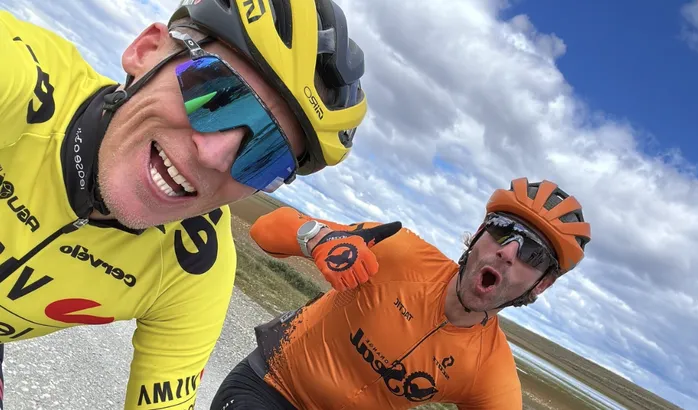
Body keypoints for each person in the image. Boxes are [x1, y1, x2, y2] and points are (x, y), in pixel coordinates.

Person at [0, 0, 366, 408]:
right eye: (215, 94)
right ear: (146, 50)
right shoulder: (20, 79)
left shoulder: (195, 267)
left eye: (264, 157)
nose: (215, 156)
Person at [211, 177, 592, 409]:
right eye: (502, 230)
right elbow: (267, 228)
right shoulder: (400, 252)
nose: (507, 252)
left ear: (541, 284)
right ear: (478, 235)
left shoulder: (488, 368)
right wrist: (317, 239)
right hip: (269, 387)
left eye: (532, 254)